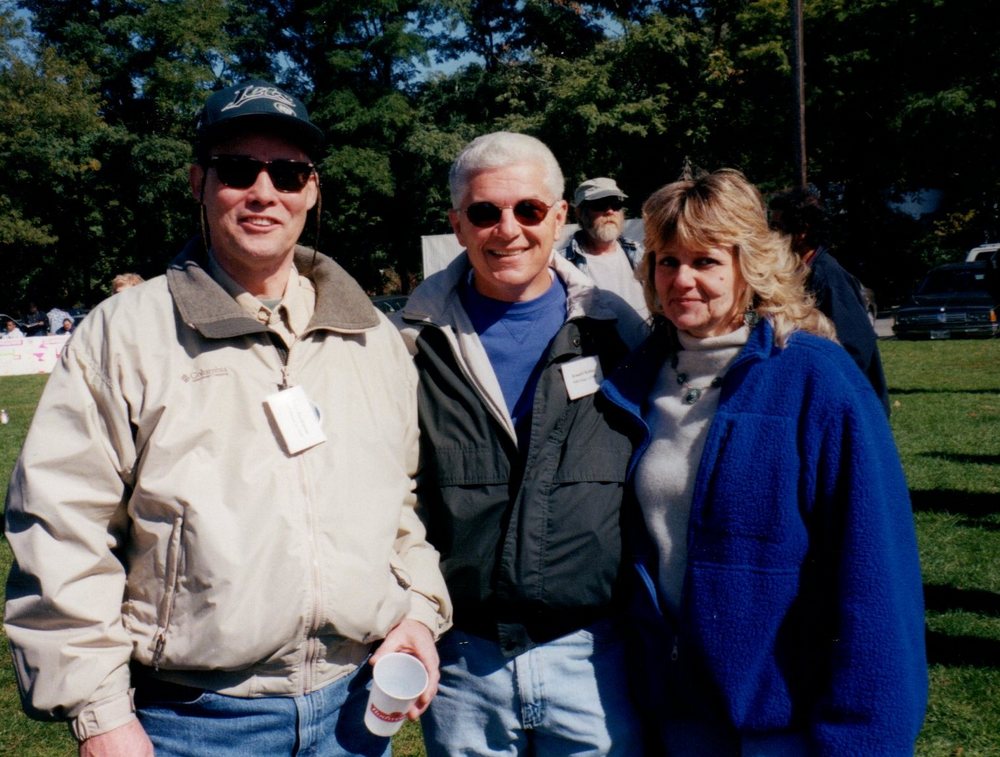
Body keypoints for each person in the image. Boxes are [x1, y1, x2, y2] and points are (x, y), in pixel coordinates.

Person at [4, 79, 451, 757]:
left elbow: (403, 505)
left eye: (289, 173)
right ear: (199, 183)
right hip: (194, 722)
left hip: (355, 709)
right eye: (239, 169)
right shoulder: (124, 333)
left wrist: (416, 610)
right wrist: (99, 712)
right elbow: (60, 528)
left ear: (312, 190)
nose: (265, 192)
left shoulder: (372, 338)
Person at [601, 169, 927, 755]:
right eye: (667, 261)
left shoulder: (816, 378)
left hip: (782, 727)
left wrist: (863, 736)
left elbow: (876, 571)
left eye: (705, 261)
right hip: (674, 718)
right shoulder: (634, 380)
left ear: (748, 266)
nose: (682, 280)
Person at [397, 132, 647, 756]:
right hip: (463, 663)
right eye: (485, 212)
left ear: (560, 218)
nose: (508, 230)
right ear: (458, 224)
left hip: (597, 658)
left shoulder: (620, 334)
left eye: (528, 210)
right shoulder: (409, 346)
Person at [768, 186, 890, 413]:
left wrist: (820, 383)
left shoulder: (827, 275)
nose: (770, 235)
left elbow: (856, 347)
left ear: (802, 231)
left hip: (846, 404)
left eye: (776, 227)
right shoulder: (793, 271)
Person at [560, 176, 649, 320]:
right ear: (579, 213)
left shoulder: (640, 253)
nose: (609, 211)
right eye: (599, 205)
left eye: (616, 204)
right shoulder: (563, 265)